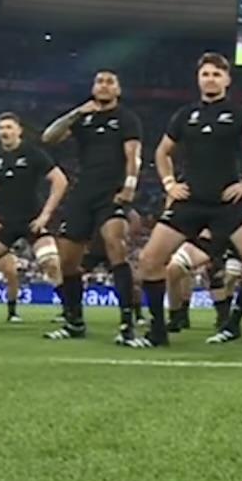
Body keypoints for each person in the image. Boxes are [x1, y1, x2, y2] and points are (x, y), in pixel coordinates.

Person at [136, 52, 242, 347]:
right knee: (149, 260)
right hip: (190, 201)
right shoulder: (184, 115)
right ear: (198, 79)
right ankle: (158, 330)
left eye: (217, 74)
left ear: (227, 80)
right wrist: (169, 183)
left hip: (228, 203)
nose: (211, 79)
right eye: (206, 74)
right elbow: (161, 152)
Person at [41, 70, 145, 345]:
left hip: (112, 193)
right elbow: (48, 137)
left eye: (110, 81)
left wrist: (130, 187)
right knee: (67, 261)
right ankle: (74, 322)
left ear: (118, 90)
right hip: (83, 193)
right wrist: (77, 112)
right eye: (99, 81)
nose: (104, 85)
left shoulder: (126, 118)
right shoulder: (83, 119)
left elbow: (133, 156)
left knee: (115, 244)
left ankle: (127, 325)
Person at [0, 113, 69, 331]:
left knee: (51, 263)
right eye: (1, 128)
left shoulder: (34, 154)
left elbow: (60, 181)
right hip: (3, 223)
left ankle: (70, 313)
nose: (4, 132)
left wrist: (45, 215)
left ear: (19, 130)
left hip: (32, 220)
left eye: (8, 127)